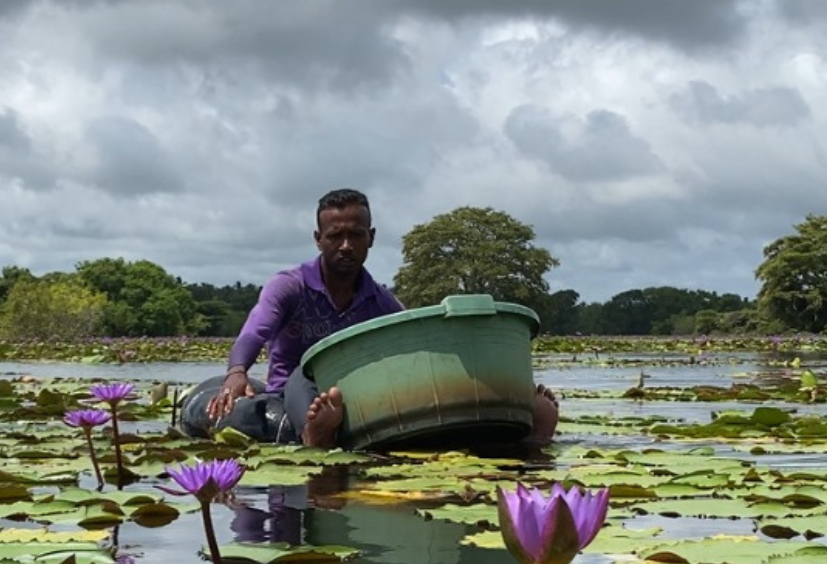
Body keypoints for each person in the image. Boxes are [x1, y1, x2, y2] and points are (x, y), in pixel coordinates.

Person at [180, 187, 558, 449]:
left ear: (371, 238)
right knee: (307, 371)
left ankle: (531, 434)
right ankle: (315, 434)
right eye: (335, 235)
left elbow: (416, 343)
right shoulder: (289, 286)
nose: (346, 245)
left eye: (356, 235)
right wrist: (235, 374)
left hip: (358, 399)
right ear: (319, 238)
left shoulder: (379, 299)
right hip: (295, 393)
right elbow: (253, 332)